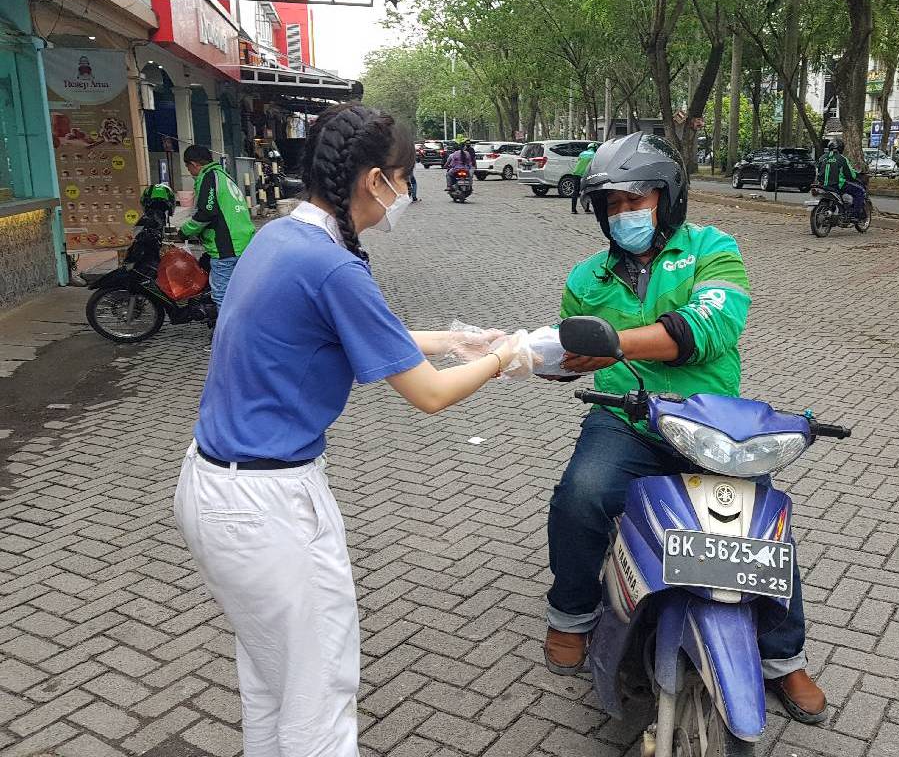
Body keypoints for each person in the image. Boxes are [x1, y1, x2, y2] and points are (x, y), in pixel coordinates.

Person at [173, 104, 522, 756]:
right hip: (265, 508)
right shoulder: (334, 266)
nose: (409, 193)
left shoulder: (283, 238)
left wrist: (451, 338)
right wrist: (507, 356)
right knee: (318, 699)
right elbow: (429, 394)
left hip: (216, 487)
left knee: (272, 684)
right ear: (374, 180)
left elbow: (341, 338)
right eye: (406, 178)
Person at [542, 131, 827, 724]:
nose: (625, 214)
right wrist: (547, 360)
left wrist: (616, 343)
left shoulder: (713, 250)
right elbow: (576, 348)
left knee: (763, 526)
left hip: (709, 419)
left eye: (637, 199)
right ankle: (572, 614)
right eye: (612, 205)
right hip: (625, 417)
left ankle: (781, 656)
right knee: (582, 497)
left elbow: (705, 329)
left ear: (668, 197)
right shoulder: (587, 279)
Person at [180, 145, 255, 308]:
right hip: (243, 243)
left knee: (221, 295)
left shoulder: (208, 177)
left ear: (194, 164)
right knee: (238, 293)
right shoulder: (224, 176)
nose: (189, 171)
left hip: (226, 246)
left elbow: (206, 212)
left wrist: (185, 231)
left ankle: (228, 333)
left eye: (188, 167)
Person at [819, 141, 866, 220]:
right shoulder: (842, 159)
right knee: (860, 191)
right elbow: (849, 175)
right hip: (838, 184)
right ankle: (855, 215)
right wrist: (856, 176)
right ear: (841, 148)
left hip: (822, 184)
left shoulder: (822, 157)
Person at [569, 141, 598, 214]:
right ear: (595, 148)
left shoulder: (582, 153)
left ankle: (573, 209)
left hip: (576, 173)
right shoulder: (594, 155)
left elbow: (579, 162)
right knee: (587, 191)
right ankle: (587, 209)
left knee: (575, 191)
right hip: (586, 174)